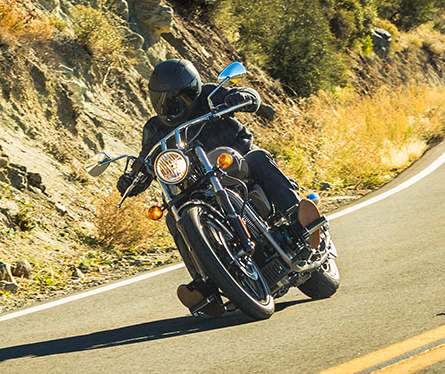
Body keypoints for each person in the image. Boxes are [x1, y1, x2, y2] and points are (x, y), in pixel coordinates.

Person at [117, 58, 322, 311]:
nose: (168, 106)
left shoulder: (210, 95)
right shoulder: (154, 128)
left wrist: (242, 97)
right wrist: (132, 178)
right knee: (173, 216)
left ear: (192, 90)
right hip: (195, 185)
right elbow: (146, 159)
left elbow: (249, 95)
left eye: (176, 98)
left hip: (234, 164)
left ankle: (298, 223)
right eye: (161, 99)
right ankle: (205, 284)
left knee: (258, 157)